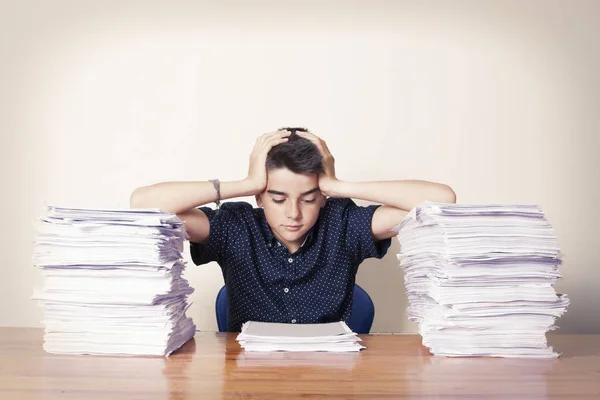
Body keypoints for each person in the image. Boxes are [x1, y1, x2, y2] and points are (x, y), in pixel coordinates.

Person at [130, 128, 456, 331]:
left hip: (330, 381)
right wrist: (245, 183)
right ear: (260, 196)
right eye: (278, 197)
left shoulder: (344, 223)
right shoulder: (235, 226)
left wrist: (337, 184)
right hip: (249, 384)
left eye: (309, 198)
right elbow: (143, 203)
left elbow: (442, 200)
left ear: (323, 197)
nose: (293, 214)